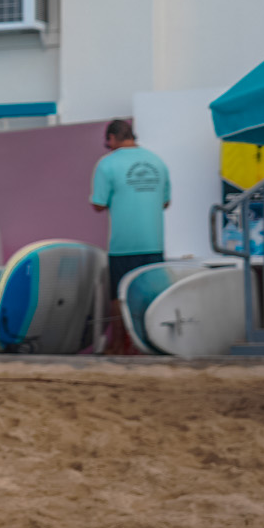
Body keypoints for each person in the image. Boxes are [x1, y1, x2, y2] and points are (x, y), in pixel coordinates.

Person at [90, 118, 171, 353]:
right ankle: (151, 345)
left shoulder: (107, 164)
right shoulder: (158, 161)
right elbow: (165, 202)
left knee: (118, 296)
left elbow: (97, 204)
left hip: (123, 245)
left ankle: (118, 345)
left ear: (112, 139)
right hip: (154, 243)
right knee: (152, 295)